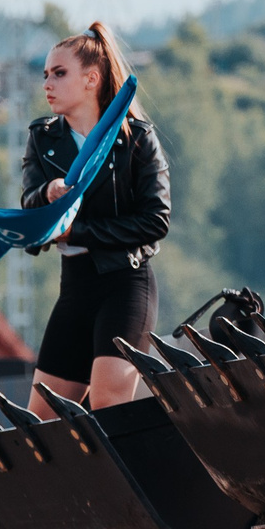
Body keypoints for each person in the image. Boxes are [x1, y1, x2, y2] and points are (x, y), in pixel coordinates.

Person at [23, 22, 170, 417]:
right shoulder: (42, 138)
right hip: (75, 286)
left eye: (59, 73)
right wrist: (47, 193)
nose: (47, 84)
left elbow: (156, 221)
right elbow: (29, 210)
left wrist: (79, 231)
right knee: (41, 419)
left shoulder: (136, 138)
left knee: (108, 403)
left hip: (126, 283)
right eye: (45, 74)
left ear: (91, 79)